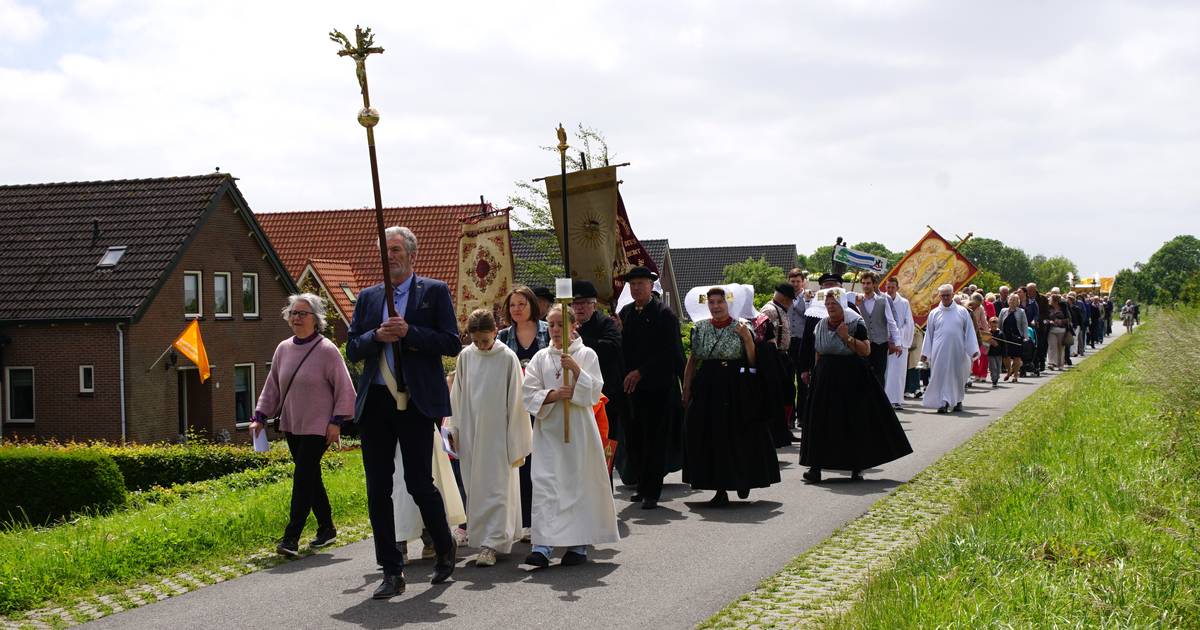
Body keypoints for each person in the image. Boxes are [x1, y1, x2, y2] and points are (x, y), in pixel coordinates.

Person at [346, 226, 462, 599]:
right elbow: (352, 347)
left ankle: (444, 545)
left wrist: (409, 332)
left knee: (417, 481)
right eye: (384, 251)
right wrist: (377, 336)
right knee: (377, 487)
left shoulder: (433, 291)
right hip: (377, 401)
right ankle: (391, 570)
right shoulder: (367, 297)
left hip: (415, 400)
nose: (390, 257)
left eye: (396, 250)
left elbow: (451, 342)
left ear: (411, 254)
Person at [251, 293, 356, 558]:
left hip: (318, 427)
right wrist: (260, 416)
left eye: (302, 314)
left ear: (315, 319)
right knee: (310, 476)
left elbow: (345, 389)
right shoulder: (283, 349)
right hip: (292, 424)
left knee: (302, 477)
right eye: (293, 313)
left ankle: (291, 537)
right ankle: (326, 527)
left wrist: (336, 422)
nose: (296, 318)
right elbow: (273, 386)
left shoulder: (327, 350)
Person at [521, 305, 620, 567]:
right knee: (546, 483)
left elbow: (594, 391)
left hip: (578, 428)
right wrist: (554, 395)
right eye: (551, 324)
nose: (554, 330)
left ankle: (577, 544)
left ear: (573, 326)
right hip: (549, 430)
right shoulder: (541, 358)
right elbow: (528, 393)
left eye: (560, 325)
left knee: (577, 483)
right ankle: (542, 545)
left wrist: (576, 369)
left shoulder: (586, 354)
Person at [446, 310, 531, 568]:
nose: (481, 346)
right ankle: (480, 536)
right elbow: (457, 396)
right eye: (476, 341)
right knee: (476, 488)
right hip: (471, 432)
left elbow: (517, 401)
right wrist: (455, 431)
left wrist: (516, 440)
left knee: (497, 488)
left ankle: (493, 543)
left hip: (498, 435)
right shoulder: (466, 357)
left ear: (495, 332)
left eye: (485, 340)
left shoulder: (507, 358)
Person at [800, 289, 912, 483]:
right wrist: (814, 373)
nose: (830, 307)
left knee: (852, 421)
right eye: (827, 304)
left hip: (851, 376)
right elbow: (818, 351)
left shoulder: (855, 323)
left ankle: (856, 465)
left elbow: (866, 350)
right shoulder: (819, 325)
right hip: (825, 378)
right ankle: (815, 467)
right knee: (821, 421)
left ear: (842, 304)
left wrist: (847, 337)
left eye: (834, 303)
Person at [681, 288, 780, 504]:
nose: (716, 306)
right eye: (712, 302)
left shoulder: (743, 326)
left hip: (736, 386)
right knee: (709, 435)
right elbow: (693, 359)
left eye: (720, 302)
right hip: (708, 385)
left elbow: (753, 361)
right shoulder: (700, 328)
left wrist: (747, 340)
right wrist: (687, 388)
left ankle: (742, 480)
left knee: (739, 434)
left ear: (728, 304)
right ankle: (719, 488)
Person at [618, 266, 685, 510]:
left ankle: (652, 492)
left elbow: (669, 352)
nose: (636, 288)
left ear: (651, 285)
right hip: (631, 389)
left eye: (641, 284)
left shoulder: (664, 314)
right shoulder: (625, 313)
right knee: (635, 439)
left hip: (658, 387)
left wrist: (642, 371)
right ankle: (641, 485)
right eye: (632, 284)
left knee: (655, 439)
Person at [497, 286, 549, 538]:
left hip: (545, 407)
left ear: (532, 305)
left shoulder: (549, 331)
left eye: (522, 304)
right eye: (512, 305)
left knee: (546, 463)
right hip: (516, 408)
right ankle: (526, 521)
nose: (516, 309)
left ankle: (548, 518)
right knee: (523, 465)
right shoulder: (502, 336)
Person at [571, 280, 627, 482]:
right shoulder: (568, 326)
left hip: (605, 398)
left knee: (605, 445)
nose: (579, 308)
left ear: (593, 304)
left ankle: (607, 486)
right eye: (575, 304)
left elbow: (612, 348)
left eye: (584, 303)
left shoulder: (605, 324)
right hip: (576, 397)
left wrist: (582, 342)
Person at [921, 284, 979, 413]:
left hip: (958, 351)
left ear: (953, 295)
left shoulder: (962, 311)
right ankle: (943, 402)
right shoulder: (934, 313)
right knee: (941, 376)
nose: (945, 298)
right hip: (939, 352)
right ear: (939, 296)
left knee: (957, 376)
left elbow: (969, 332)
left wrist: (973, 349)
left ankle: (958, 401)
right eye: (943, 295)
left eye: (948, 295)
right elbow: (929, 335)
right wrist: (925, 353)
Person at [758, 282, 797, 446]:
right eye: (789, 299)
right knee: (780, 393)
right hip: (775, 356)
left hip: (783, 354)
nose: (791, 302)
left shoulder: (781, 310)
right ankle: (779, 429)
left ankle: (785, 427)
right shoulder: (770, 310)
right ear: (783, 297)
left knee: (788, 391)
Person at [853, 271, 901, 386]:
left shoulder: (883, 300)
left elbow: (891, 321)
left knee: (879, 376)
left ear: (874, 284)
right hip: (864, 343)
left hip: (880, 343)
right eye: (863, 283)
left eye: (868, 283)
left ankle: (880, 403)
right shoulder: (857, 300)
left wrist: (897, 342)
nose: (865, 286)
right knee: (864, 375)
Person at [883, 277, 914, 409]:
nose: (890, 290)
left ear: (897, 288)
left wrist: (897, 338)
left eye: (893, 287)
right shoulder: (881, 300)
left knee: (898, 372)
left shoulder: (904, 303)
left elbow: (909, 323)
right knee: (885, 371)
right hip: (884, 341)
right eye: (888, 287)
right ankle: (884, 399)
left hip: (900, 342)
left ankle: (896, 399)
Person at [786, 269, 809, 427]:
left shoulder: (809, 297)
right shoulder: (784, 297)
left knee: (802, 380)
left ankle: (802, 416)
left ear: (803, 282)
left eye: (798, 281)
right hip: (788, 341)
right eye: (792, 281)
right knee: (788, 380)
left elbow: (809, 315)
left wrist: (805, 302)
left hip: (802, 341)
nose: (795, 284)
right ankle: (789, 418)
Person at [998, 294, 1028, 383]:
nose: (1012, 301)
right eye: (1011, 299)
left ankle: (1015, 375)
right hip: (1005, 337)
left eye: (1014, 300)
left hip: (1017, 337)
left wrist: (1025, 336)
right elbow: (999, 323)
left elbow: (1024, 324)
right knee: (1005, 356)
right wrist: (998, 334)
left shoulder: (1021, 312)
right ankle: (1008, 371)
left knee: (1017, 357)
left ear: (1018, 302)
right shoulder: (1003, 311)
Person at [1044, 293, 1070, 370]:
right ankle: (1051, 363)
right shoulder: (1048, 308)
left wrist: (1060, 321)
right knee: (1052, 346)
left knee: (1060, 348)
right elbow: (1045, 318)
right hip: (1051, 330)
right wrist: (1049, 321)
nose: (1049, 300)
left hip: (1062, 330)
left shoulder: (1063, 308)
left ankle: (1060, 364)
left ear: (1055, 301)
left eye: (1051, 299)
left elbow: (1069, 319)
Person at [967, 294, 988, 383]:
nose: (977, 306)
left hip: (979, 333)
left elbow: (983, 321)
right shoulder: (965, 307)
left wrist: (987, 334)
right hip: (968, 333)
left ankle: (983, 374)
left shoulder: (981, 309)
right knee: (973, 353)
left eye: (979, 304)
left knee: (983, 353)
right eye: (976, 304)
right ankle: (975, 374)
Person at [986, 316, 1003, 387]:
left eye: (995, 326)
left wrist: (997, 345)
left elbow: (1003, 345)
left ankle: (997, 377)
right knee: (993, 367)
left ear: (997, 325)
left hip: (999, 354)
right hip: (991, 354)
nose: (993, 327)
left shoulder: (1001, 333)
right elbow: (985, 343)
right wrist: (989, 342)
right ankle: (994, 380)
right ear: (989, 325)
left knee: (998, 368)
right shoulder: (988, 333)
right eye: (992, 326)